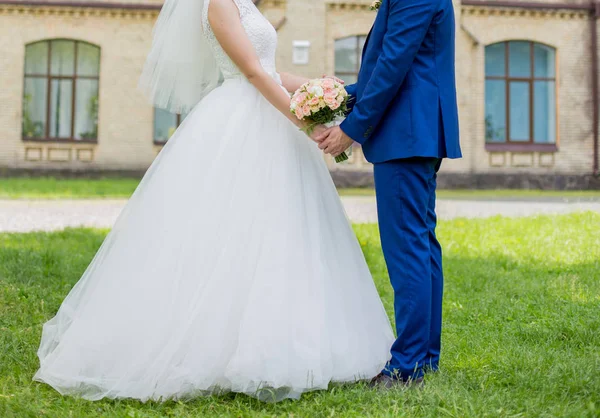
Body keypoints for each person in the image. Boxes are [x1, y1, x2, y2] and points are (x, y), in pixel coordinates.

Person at [33, 0, 394, 402]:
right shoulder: (217, 4)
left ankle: (287, 338)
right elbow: (252, 73)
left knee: (282, 229)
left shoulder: (246, 4)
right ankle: (218, 346)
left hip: (268, 113)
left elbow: (271, 69)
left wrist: (320, 90)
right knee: (230, 227)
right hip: (243, 120)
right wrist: (301, 121)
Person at [317, 0, 462, 388]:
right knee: (421, 244)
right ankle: (423, 358)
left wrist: (352, 127)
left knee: (408, 248)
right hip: (413, 132)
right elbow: (388, 64)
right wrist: (333, 97)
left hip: (408, 134)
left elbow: (393, 64)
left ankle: (408, 366)